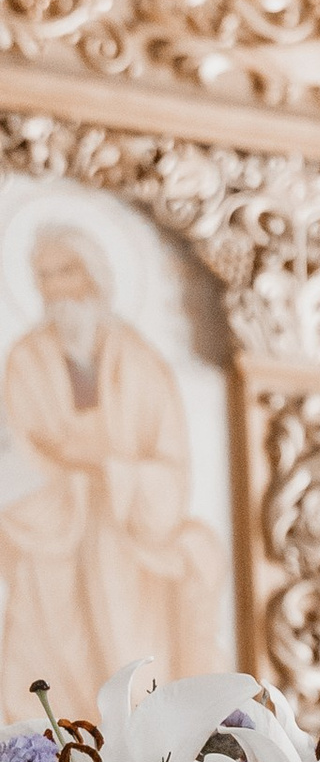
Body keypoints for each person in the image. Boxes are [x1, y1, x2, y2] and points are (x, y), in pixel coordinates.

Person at [0, 217, 229, 717]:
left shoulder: (142, 363)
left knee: (131, 676)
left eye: (67, 272)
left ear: (95, 276)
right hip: (49, 543)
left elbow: (171, 468)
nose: (58, 288)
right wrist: (72, 474)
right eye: (46, 276)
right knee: (48, 682)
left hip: (129, 547)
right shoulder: (25, 361)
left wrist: (111, 469)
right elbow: (18, 457)